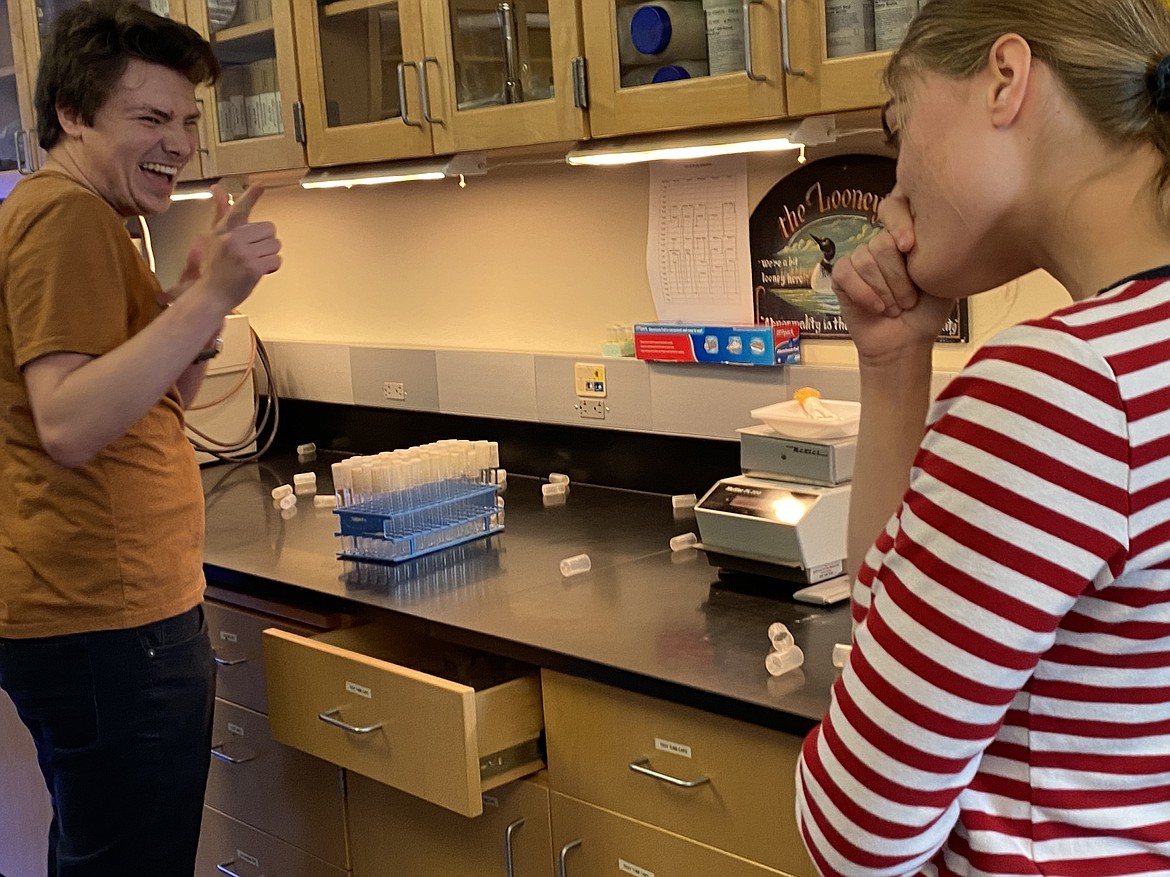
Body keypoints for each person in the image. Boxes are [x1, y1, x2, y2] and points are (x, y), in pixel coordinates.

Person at [794, 0, 1170, 874]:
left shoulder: (1067, 390)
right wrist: (894, 365)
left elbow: (858, 831)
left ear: (1006, 79)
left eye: (899, 133)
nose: (893, 196)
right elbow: (891, 617)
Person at [0, 2, 281, 874]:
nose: (179, 141)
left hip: (106, 612)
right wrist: (204, 300)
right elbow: (70, 422)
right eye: (151, 118)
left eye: (189, 119)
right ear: (73, 117)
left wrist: (197, 304)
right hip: (106, 618)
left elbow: (151, 403)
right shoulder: (66, 217)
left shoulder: (96, 220)